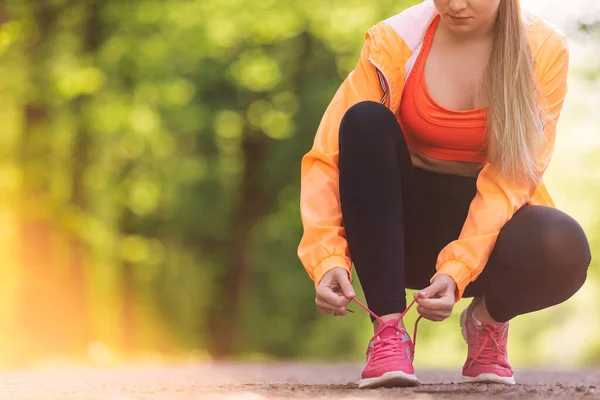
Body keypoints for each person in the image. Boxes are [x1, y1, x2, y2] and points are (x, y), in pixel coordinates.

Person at [297, 0, 592, 389]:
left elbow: (511, 179)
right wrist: (326, 257)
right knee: (363, 120)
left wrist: (458, 270)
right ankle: (387, 330)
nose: (456, 5)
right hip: (395, 233)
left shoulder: (542, 49)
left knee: (563, 245)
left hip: (486, 238)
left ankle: (486, 321)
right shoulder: (396, 40)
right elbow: (327, 156)